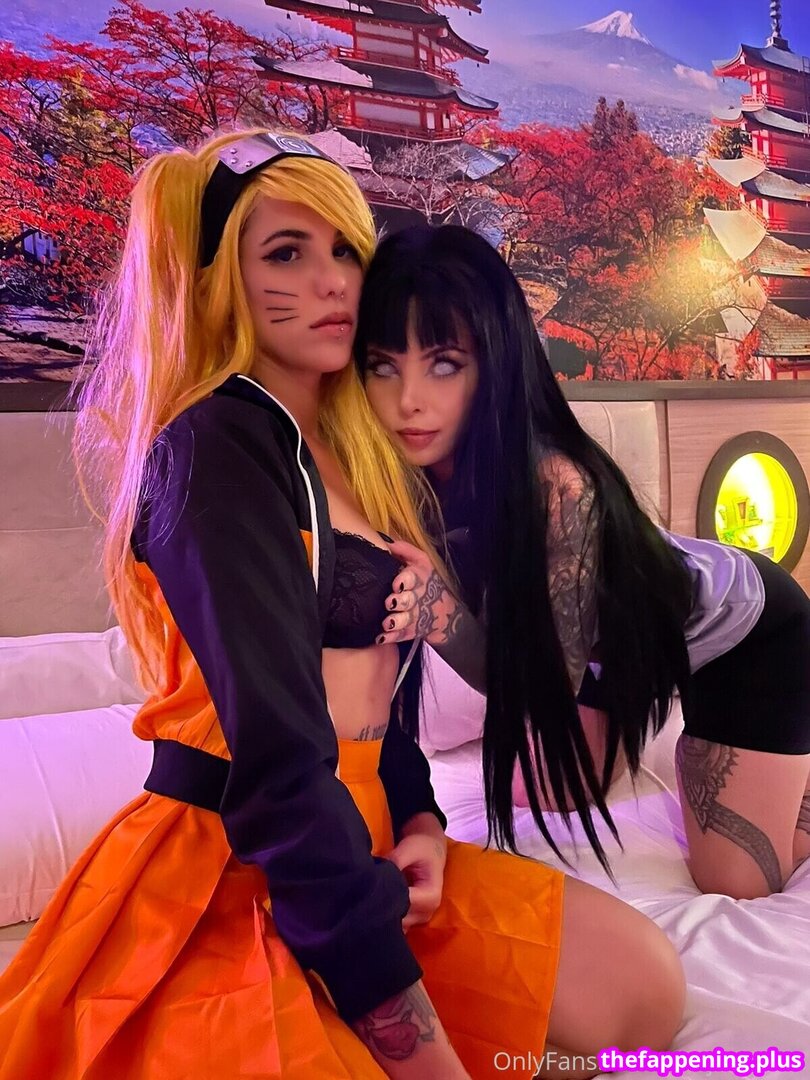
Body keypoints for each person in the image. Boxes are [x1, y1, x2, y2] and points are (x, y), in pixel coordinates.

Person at [0, 136, 684, 1079]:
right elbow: (278, 758)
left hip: (373, 835)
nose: (330, 283)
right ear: (220, 278)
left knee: (642, 991)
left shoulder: (357, 444)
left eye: (345, 252)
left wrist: (421, 821)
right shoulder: (215, 444)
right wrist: (418, 1049)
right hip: (245, 853)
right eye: (286, 253)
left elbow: (382, 698)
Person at [357, 223, 810, 902]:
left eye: (444, 363)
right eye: (383, 365)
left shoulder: (557, 486)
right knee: (538, 793)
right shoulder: (397, 476)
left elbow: (544, 690)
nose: (407, 401)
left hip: (747, 639)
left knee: (735, 881)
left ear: (495, 363)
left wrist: (441, 617)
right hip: (610, 652)